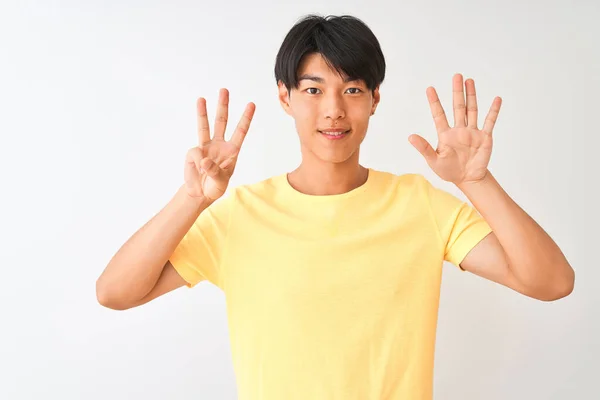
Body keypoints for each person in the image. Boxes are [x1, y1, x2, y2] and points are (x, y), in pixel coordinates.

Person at [96, 14, 575, 400]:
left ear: (374, 99)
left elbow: (552, 282)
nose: (333, 110)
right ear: (284, 97)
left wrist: (478, 182)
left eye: (351, 90)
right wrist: (192, 199)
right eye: (313, 89)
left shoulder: (419, 205)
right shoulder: (239, 215)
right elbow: (116, 292)